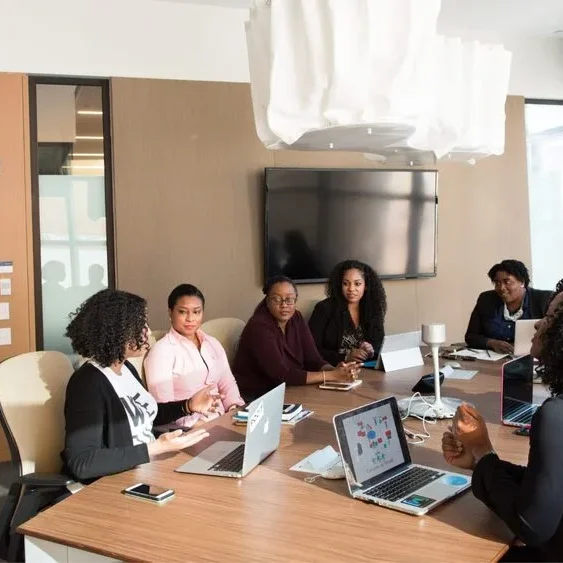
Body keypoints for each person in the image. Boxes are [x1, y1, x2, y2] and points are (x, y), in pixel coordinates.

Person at [442, 279, 563, 561]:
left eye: (551, 318)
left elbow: (533, 527)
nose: (537, 324)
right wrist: (480, 462)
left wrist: (483, 448)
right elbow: (549, 487)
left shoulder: (555, 414)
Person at [62, 289, 218, 483]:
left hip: (150, 468)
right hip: (120, 481)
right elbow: (82, 462)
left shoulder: (125, 368)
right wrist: (155, 448)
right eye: (141, 325)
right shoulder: (88, 383)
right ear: (118, 331)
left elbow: (145, 417)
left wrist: (188, 406)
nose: (149, 332)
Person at [233, 275, 360, 400]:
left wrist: (337, 371)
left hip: (290, 390)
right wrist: (331, 376)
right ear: (267, 301)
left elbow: (313, 359)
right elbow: (281, 376)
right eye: (277, 300)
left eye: (289, 299)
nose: (284, 305)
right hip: (258, 397)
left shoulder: (296, 318)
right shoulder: (258, 327)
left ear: (295, 300)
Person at [144, 284, 245, 429]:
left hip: (224, 421)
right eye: (183, 312)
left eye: (196, 312)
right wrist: (203, 426)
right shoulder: (162, 352)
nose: (190, 318)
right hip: (189, 429)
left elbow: (227, 383)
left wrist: (235, 410)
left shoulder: (212, 343)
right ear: (170, 312)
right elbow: (163, 408)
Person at [308, 260, 387, 364]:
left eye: (357, 284)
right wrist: (345, 357)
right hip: (334, 370)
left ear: (366, 285)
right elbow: (310, 350)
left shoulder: (372, 309)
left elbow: (380, 344)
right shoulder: (324, 309)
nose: (351, 289)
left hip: (366, 369)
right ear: (340, 285)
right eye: (346, 283)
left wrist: (371, 350)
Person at [465, 259, 551, 354]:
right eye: (497, 283)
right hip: (494, 361)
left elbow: (555, 337)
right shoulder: (486, 299)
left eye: (507, 282)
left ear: (522, 282)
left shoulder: (544, 300)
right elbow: (471, 337)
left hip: (533, 359)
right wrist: (492, 343)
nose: (501, 288)